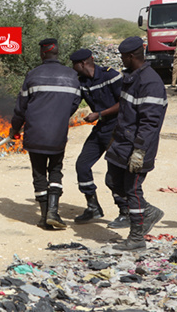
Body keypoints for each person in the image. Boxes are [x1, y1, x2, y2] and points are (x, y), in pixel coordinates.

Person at [10, 38, 81, 230]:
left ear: (43, 53)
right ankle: (53, 211)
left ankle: (44, 217)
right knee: (56, 170)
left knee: (39, 173)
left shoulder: (33, 75)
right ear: (57, 53)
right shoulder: (72, 75)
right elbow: (74, 103)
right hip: (58, 134)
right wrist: (60, 116)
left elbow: (21, 107)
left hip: (35, 133)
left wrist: (14, 129)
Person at [105, 36, 167, 251]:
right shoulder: (131, 77)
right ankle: (149, 212)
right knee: (112, 181)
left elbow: (150, 122)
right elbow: (124, 111)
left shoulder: (150, 83)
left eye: (123, 56)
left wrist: (139, 151)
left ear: (131, 56)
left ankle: (137, 237)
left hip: (139, 146)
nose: (121, 59)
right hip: (122, 143)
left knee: (132, 189)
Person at [69, 49, 129, 228]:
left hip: (117, 128)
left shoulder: (110, 75)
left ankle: (125, 212)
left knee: (114, 174)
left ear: (82, 64)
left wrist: (99, 113)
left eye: (74, 65)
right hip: (101, 128)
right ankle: (93, 207)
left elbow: (124, 102)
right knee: (82, 165)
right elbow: (73, 104)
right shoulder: (82, 82)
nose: (73, 68)